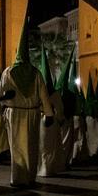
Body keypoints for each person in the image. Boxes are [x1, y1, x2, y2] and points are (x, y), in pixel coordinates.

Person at [0, 21, 53, 187]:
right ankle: (30, 177)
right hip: (32, 114)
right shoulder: (35, 73)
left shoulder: (8, 72)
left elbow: (1, 94)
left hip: (13, 115)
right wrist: (48, 113)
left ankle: (17, 178)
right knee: (31, 146)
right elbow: (43, 94)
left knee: (17, 148)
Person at [37, 44, 66, 177]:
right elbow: (59, 110)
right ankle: (48, 168)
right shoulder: (55, 95)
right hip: (52, 122)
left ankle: (42, 169)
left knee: (42, 147)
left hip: (40, 122)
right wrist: (60, 119)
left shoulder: (37, 92)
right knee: (50, 147)